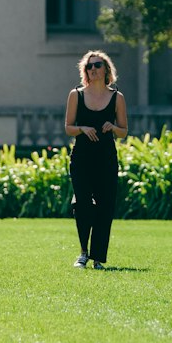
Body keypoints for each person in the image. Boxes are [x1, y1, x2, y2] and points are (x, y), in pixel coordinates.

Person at [65, 50, 128, 269]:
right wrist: (81, 128)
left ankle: (98, 257)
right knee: (83, 204)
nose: (93, 69)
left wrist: (114, 127)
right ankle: (83, 252)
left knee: (105, 206)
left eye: (97, 65)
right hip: (82, 157)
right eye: (89, 66)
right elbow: (68, 128)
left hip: (106, 158)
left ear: (106, 69)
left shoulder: (117, 97)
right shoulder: (76, 95)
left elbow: (124, 131)